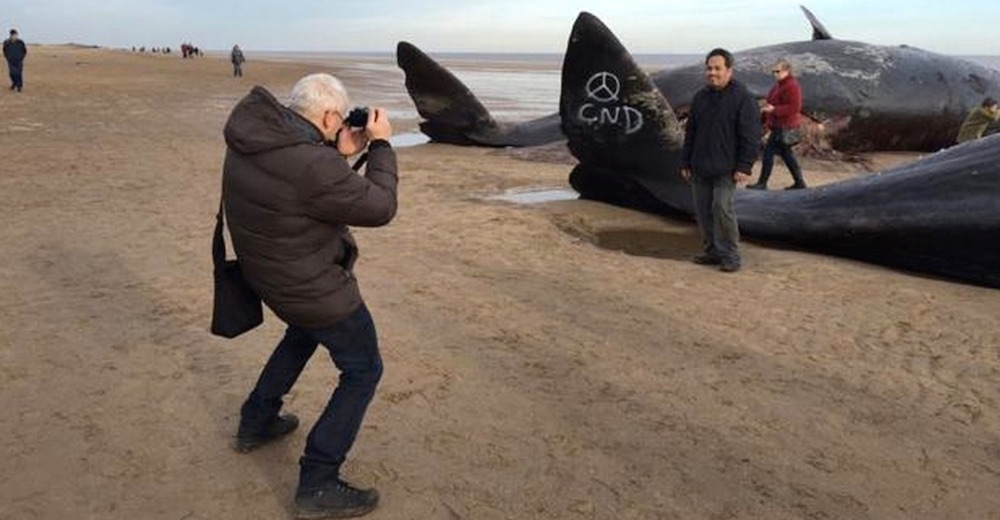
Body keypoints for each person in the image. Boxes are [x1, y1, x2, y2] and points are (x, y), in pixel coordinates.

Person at [222, 73, 397, 518]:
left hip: (269, 275)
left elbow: (297, 188)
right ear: (328, 116)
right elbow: (380, 207)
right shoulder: (309, 164)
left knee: (302, 334)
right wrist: (380, 146)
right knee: (363, 370)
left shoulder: (255, 140)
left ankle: (257, 420)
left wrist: (334, 153)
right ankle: (318, 481)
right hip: (310, 286)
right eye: (339, 120)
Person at [680, 48, 762, 273]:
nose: (712, 73)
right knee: (703, 210)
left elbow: (751, 136)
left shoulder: (743, 98)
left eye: (717, 68)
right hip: (700, 166)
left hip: (727, 168)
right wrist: (686, 162)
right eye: (709, 68)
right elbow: (691, 133)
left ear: (729, 71)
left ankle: (730, 254)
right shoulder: (700, 97)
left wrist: (744, 166)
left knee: (722, 209)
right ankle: (712, 251)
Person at [749, 58, 806, 190]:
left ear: (787, 71)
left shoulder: (792, 85)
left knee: (769, 153)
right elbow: (771, 102)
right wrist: (764, 113)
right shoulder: (778, 85)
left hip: (785, 127)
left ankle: (762, 183)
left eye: (778, 71)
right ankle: (799, 182)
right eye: (773, 71)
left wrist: (774, 110)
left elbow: (795, 107)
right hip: (778, 126)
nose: (775, 74)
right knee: (787, 155)